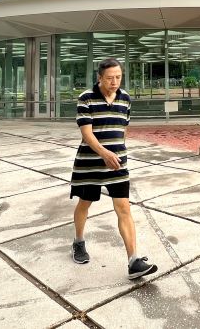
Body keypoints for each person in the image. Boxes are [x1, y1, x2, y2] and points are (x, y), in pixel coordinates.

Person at [70, 58, 158, 280]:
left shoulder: (125, 98)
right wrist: (104, 153)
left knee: (124, 208)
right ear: (99, 77)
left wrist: (117, 153)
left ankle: (133, 261)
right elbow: (86, 134)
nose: (114, 81)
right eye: (110, 78)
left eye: (118, 77)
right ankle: (78, 242)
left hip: (118, 163)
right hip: (90, 163)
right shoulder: (86, 98)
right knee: (84, 204)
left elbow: (123, 129)